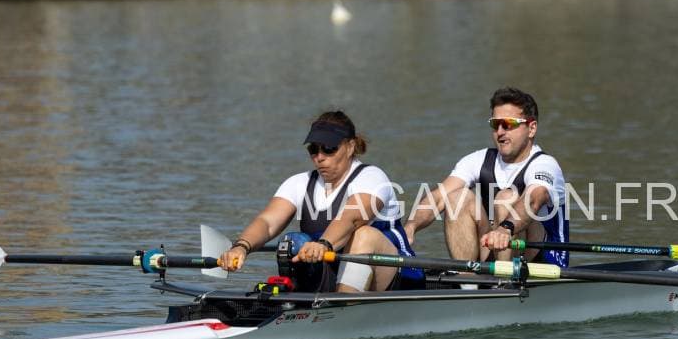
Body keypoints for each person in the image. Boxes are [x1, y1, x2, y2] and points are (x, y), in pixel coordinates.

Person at [217, 111, 424, 293]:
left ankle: (342, 308)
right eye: (313, 149)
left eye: (329, 148)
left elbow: (352, 218)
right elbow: (267, 222)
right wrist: (241, 247)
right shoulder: (299, 183)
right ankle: (306, 307)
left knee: (364, 235)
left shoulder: (372, 177)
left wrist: (324, 244)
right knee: (292, 241)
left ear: (350, 147)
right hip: (339, 273)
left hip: (400, 275)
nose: (320, 157)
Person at [404, 88, 569, 268]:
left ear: (531, 128)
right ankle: (466, 279)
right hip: (494, 250)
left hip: (546, 260)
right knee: (457, 197)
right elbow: (438, 198)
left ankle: (503, 278)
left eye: (508, 124)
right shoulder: (478, 159)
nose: (500, 132)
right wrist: (410, 227)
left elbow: (534, 199)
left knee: (506, 198)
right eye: (495, 124)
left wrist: (505, 228)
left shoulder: (545, 165)